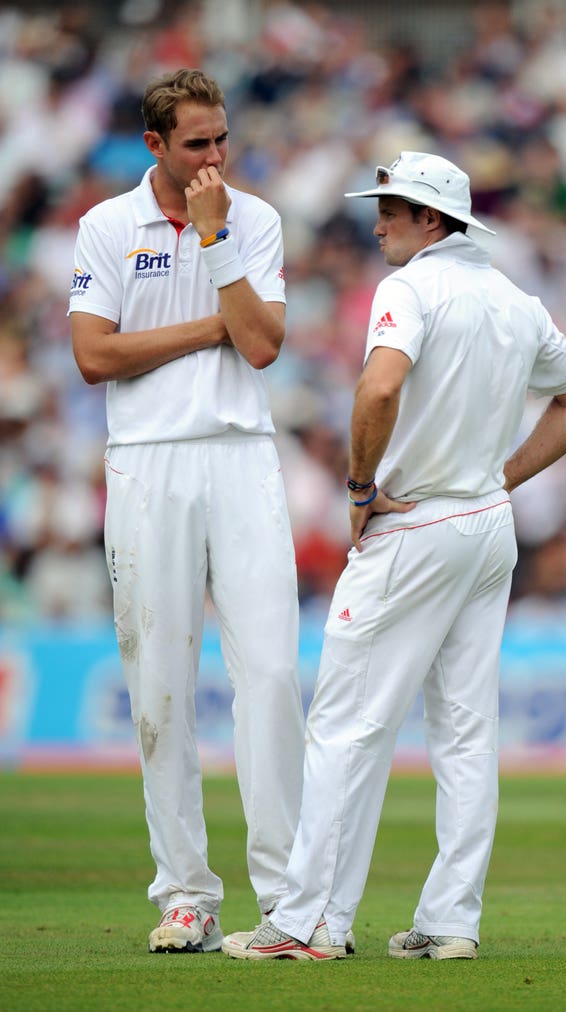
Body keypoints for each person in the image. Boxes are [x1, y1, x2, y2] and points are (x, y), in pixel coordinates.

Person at [221, 151, 566, 961]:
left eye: (391, 209)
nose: (378, 222)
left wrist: (361, 490)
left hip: (415, 522)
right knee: (466, 732)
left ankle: (305, 924)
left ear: (432, 220)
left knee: (344, 726)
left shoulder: (409, 287)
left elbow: (379, 389)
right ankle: (451, 923)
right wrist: (500, 478)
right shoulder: (513, 298)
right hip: (485, 525)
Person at [68, 68, 306, 953]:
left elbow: (267, 345)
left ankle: (287, 900)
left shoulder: (254, 217)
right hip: (146, 465)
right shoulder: (104, 226)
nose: (215, 158)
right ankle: (187, 897)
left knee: (274, 676)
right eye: (197, 142)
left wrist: (215, 242)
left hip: (243, 455)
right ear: (155, 145)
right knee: (159, 687)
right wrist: (211, 325)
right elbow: (94, 356)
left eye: (221, 139)